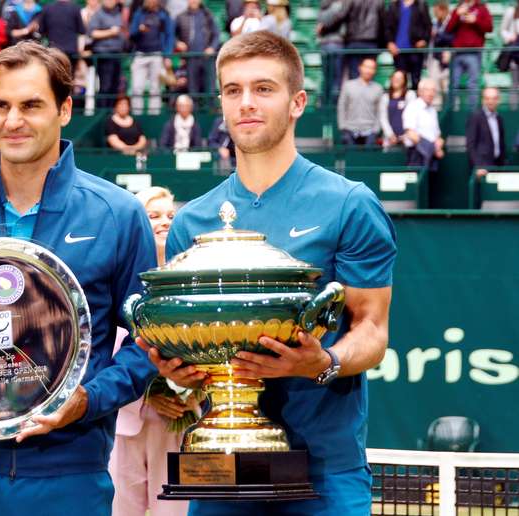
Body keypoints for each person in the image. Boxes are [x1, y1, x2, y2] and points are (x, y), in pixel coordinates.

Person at [137, 30, 397, 516]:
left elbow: (373, 329)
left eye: (263, 88)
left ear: (297, 101)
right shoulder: (191, 221)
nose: (246, 104)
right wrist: (179, 374)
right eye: (233, 91)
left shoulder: (349, 203)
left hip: (325, 472)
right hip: (221, 467)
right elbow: (190, 358)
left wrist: (319, 363)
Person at [0, 40, 157, 516]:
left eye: (31, 105)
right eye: (0, 105)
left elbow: (149, 343)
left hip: (72, 474)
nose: (12, 120)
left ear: (65, 109)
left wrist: (87, 400)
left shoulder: (119, 213)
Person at [109, 186, 191, 516]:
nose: (163, 222)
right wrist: (147, 396)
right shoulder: (118, 278)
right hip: (124, 425)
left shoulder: (192, 284)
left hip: (180, 425)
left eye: (171, 216)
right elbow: (108, 352)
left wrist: (191, 389)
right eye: (153, 215)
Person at [129, 0, 174, 115]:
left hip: (156, 54)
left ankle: (154, 114)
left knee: (155, 88)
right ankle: (136, 114)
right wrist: (139, 30)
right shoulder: (139, 13)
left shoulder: (164, 14)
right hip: (140, 54)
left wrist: (167, 55)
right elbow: (131, 34)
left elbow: (169, 35)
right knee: (136, 87)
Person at [446, 0, 493, 109]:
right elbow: (448, 28)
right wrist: (457, 15)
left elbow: (489, 27)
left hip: (474, 52)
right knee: (454, 84)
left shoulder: (481, 8)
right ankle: (451, 110)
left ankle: (472, 112)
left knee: (473, 84)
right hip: (457, 53)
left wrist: (476, 20)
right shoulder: (458, 7)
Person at [174, 0, 219, 99]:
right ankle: (194, 111)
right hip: (190, 58)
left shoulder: (207, 15)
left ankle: (210, 112)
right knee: (192, 89)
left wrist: (212, 47)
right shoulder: (180, 17)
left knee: (209, 89)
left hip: (207, 58)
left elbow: (216, 34)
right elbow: (171, 35)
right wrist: (177, 43)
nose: (193, 1)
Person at [384, 0, 432, 90]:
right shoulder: (394, 6)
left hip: (416, 50)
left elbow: (428, 26)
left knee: (416, 81)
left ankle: (415, 102)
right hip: (398, 51)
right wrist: (389, 42)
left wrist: (424, 40)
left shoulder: (421, 5)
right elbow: (387, 27)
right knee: (400, 81)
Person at [88, 0, 125, 108]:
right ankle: (102, 113)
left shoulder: (118, 13)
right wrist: (110, 32)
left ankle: (111, 112)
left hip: (117, 54)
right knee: (105, 86)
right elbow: (92, 33)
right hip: (104, 55)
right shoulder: (98, 14)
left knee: (115, 86)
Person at [337, 57, 383, 146]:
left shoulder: (378, 88)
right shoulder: (348, 85)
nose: (368, 70)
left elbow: (379, 111)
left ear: (375, 71)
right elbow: (341, 106)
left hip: (370, 132)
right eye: (366, 67)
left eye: (371, 68)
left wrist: (375, 130)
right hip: (350, 130)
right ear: (360, 67)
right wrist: (343, 126)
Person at [403, 78, 445, 170]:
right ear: (420, 91)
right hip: (417, 154)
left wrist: (439, 143)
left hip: (431, 156)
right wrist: (433, 148)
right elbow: (411, 134)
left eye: (433, 90)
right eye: (427, 90)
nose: (431, 93)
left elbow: (437, 135)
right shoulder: (412, 107)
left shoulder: (433, 110)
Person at [466, 87, 506, 177]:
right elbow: (470, 145)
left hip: (497, 166)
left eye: (494, 98)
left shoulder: (499, 118)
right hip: (482, 169)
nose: (490, 101)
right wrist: (477, 167)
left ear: (498, 100)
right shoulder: (475, 117)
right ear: (483, 100)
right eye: (487, 98)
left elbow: (501, 143)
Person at [39, 0, 85, 70]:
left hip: (53, 51)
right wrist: (80, 54)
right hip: (71, 52)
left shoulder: (47, 8)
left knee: (55, 77)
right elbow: (81, 32)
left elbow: (41, 31)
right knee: (69, 78)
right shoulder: (75, 8)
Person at [317, 0, 346, 103]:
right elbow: (330, 20)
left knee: (329, 78)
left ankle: (327, 104)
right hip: (335, 44)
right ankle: (332, 105)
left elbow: (321, 24)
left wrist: (322, 27)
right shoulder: (338, 4)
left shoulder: (323, 6)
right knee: (335, 78)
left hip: (326, 44)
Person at [380, 69, 416, 148]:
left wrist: (406, 135)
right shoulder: (385, 97)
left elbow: (413, 116)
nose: (396, 80)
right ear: (391, 79)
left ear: (404, 81)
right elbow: (383, 118)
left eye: (400, 78)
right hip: (390, 139)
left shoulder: (410, 95)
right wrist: (390, 135)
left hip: (407, 138)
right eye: (395, 77)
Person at [500, 1, 519, 108]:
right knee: (515, 84)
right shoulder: (511, 12)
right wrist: (510, 37)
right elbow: (503, 30)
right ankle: (514, 111)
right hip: (515, 55)